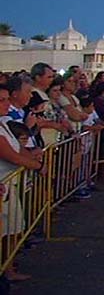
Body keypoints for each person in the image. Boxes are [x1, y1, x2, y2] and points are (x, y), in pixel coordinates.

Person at [0, 84, 45, 282]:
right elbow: (11, 155)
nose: (6, 104)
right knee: (6, 230)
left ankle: (8, 268)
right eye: (1, 100)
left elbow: (18, 149)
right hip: (4, 185)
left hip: (10, 186)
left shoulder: (3, 123)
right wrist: (37, 166)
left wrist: (32, 157)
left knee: (13, 229)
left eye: (6, 99)